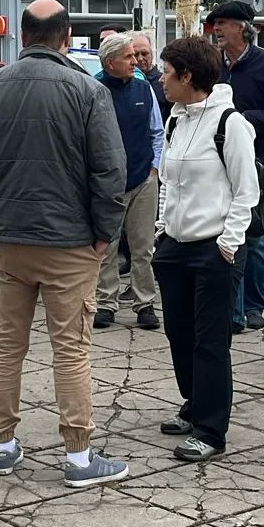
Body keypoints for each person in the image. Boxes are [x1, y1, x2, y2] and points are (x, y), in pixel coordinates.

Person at [0, 0, 130, 487]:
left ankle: (3, 444)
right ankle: (77, 456)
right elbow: (109, 171)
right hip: (70, 242)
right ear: (65, 35)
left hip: (8, 240)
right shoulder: (87, 91)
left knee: (7, 344)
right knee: (71, 348)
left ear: (23, 35)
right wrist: (103, 234)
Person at [152, 36, 258, 462]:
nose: (161, 79)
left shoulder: (229, 123)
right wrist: (162, 229)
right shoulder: (176, 119)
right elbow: (169, 181)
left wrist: (229, 243)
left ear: (188, 76)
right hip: (174, 247)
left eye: (167, 72)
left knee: (210, 340)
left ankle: (211, 429)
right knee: (179, 332)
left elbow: (245, 190)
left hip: (214, 249)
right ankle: (193, 402)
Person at [209, 0, 264, 333]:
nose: (216, 30)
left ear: (243, 27)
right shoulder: (214, 65)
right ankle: (232, 308)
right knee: (227, 237)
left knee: (255, 236)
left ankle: (254, 305)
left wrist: (241, 119)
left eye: (222, 23)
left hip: (257, 163)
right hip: (218, 162)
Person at [93, 32, 163, 331]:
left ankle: (144, 302)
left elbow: (157, 132)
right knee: (106, 247)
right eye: (129, 57)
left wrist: (155, 170)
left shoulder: (143, 88)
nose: (136, 61)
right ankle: (105, 304)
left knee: (143, 246)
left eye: (136, 55)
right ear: (110, 62)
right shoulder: (93, 90)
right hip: (107, 183)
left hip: (143, 179)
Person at [132, 31, 170, 123]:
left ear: (152, 53)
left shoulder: (164, 81)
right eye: (135, 54)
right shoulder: (123, 82)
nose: (140, 59)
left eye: (144, 54)